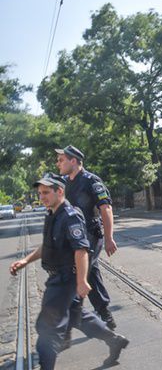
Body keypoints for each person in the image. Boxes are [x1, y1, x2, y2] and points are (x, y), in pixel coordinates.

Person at [9, 173, 128, 370]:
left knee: (46, 330)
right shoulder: (51, 214)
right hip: (58, 277)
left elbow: (81, 249)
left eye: (46, 192)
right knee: (76, 315)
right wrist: (25, 260)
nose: (42, 197)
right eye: (40, 193)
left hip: (65, 280)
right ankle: (114, 340)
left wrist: (81, 281)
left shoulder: (69, 216)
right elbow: (47, 247)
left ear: (60, 191)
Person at [55, 145, 117, 334]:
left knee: (76, 276)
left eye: (61, 160)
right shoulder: (64, 183)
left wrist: (109, 238)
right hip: (74, 239)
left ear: (73, 161)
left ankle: (65, 330)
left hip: (90, 236)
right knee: (91, 274)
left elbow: (106, 209)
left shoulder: (91, 181)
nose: (58, 164)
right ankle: (106, 316)